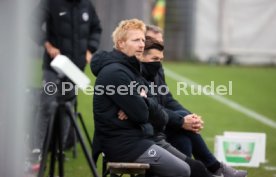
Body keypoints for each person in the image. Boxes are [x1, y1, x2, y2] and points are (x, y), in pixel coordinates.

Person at [144, 24, 248, 177]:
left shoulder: (156, 67)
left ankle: (210, 169)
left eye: (160, 42)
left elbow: (167, 99)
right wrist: (181, 120)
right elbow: (150, 109)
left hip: (159, 125)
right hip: (146, 132)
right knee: (182, 127)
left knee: (183, 135)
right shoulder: (137, 71)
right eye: (153, 41)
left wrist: (189, 116)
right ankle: (214, 167)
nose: (159, 46)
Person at [90, 19, 190, 177]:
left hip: (140, 138)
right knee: (182, 170)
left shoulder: (132, 68)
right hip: (124, 146)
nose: (142, 44)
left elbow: (159, 115)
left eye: (143, 40)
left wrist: (143, 102)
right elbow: (143, 115)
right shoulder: (116, 73)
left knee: (189, 166)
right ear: (121, 44)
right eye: (136, 40)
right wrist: (143, 103)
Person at [30, 0, 102, 165]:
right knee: (46, 104)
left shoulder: (87, 5)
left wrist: (90, 49)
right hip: (53, 66)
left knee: (67, 107)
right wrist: (46, 44)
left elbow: (96, 29)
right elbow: (32, 24)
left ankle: (59, 149)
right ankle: (37, 149)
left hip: (75, 69)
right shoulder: (50, 3)